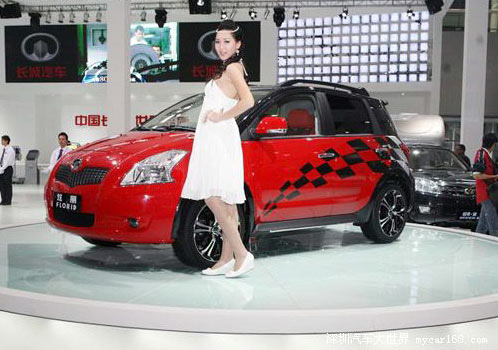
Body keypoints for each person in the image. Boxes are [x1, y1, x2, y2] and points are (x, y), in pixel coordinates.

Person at [180, 20, 255, 278]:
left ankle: (242, 254)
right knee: (225, 201)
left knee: (213, 197)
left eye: (227, 42)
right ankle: (225, 259)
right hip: (213, 137)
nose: (221, 46)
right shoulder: (228, 68)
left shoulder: (233, 68)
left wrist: (221, 116)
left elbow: (248, 101)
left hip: (220, 137)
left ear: (238, 44)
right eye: (218, 41)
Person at [473, 133, 498, 236]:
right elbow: (477, 175)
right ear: (494, 144)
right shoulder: (482, 154)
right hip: (486, 193)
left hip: (487, 193)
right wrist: (495, 177)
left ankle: (477, 246)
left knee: (483, 225)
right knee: (494, 224)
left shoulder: (485, 155)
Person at [0, 135, 15, 205]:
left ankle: (8, 201)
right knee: (2, 185)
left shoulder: (10, 150)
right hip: (2, 168)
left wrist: (2, 169)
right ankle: (3, 200)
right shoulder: (3, 149)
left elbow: (7, 161)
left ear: (6, 141)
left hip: (7, 169)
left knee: (7, 185)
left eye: (2, 140)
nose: (1, 141)